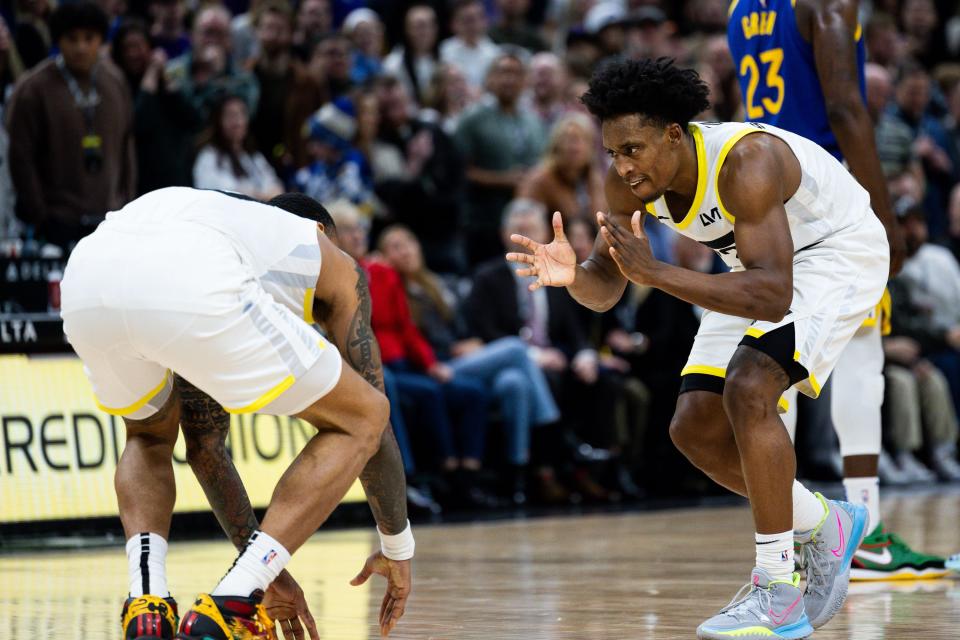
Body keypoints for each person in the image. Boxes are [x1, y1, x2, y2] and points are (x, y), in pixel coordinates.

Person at [508, 59, 882, 638]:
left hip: (837, 252)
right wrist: (574, 277)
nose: (622, 167)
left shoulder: (745, 162)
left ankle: (777, 590)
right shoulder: (626, 185)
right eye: (613, 153)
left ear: (674, 135)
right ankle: (824, 522)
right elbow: (609, 286)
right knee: (694, 427)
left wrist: (655, 273)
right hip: (755, 269)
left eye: (633, 148)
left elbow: (773, 293)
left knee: (751, 386)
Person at [60, 189, 412, 639]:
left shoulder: (221, 225)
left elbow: (206, 449)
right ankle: (232, 603)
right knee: (363, 414)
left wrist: (267, 570)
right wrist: (397, 547)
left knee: (147, 436)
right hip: (191, 279)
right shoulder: (321, 252)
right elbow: (374, 426)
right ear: (321, 232)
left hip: (87, 277)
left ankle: (147, 602)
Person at [727, 0, 952, 582]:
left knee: (774, 371)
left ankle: (797, 539)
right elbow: (847, 109)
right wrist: (882, 212)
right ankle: (863, 536)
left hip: (760, 191)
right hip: (822, 194)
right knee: (860, 364)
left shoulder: (738, 8)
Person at [378, 223, 562, 501]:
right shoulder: (391, 289)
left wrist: (472, 342)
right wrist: (452, 351)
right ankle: (551, 428)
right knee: (515, 349)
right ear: (384, 256)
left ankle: (517, 475)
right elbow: (408, 338)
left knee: (515, 382)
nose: (405, 251)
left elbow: (464, 325)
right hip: (437, 366)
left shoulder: (437, 284)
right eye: (395, 247)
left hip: (463, 358)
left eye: (409, 242)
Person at [6, 1, 136, 248]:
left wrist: (126, 205)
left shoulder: (116, 81)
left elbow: (127, 147)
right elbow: (21, 158)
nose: (81, 47)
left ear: (101, 40)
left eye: (89, 38)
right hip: (55, 225)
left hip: (110, 221)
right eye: (72, 38)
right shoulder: (33, 89)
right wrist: (41, 215)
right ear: (58, 40)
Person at [455, 50, 546, 263]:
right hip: (484, 222)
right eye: (503, 72)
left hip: (528, 219)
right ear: (489, 78)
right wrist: (502, 179)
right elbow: (459, 171)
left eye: (516, 74)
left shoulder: (533, 121)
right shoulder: (472, 119)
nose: (509, 80)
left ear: (525, 81)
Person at [247, 0, 326, 177]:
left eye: (280, 29)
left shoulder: (308, 82)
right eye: (268, 27)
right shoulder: (243, 78)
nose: (273, 35)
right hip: (252, 167)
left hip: (296, 168)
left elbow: (320, 128)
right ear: (256, 31)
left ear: (291, 33)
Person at [518, 111, 606, 225]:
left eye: (582, 139)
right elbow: (525, 226)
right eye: (570, 139)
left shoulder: (594, 179)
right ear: (557, 144)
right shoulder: (539, 181)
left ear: (591, 146)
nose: (575, 147)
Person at [193, 94, 283, 200]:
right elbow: (219, 192)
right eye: (231, 115)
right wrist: (261, 196)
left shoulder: (253, 156)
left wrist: (261, 195)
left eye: (242, 114)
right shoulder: (209, 157)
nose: (238, 121)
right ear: (219, 121)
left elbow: (276, 187)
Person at [382, 4, 441, 106]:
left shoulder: (446, 57)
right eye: (419, 27)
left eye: (430, 25)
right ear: (407, 29)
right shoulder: (393, 64)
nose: (425, 32)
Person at [440, 0, 501, 91]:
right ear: (455, 24)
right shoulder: (446, 49)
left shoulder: (493, 52)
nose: (471, 26)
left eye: (474, 20)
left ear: (485, 21)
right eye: (466, 21)